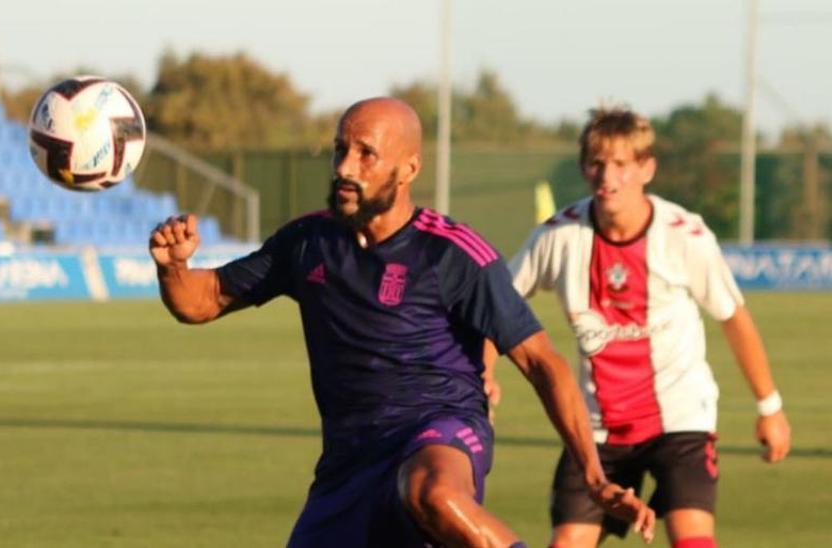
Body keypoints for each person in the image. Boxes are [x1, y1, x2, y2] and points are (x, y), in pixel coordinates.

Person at [149, 97, 655, 547]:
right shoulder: (308, 243)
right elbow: (203, 300)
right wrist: (173, 267)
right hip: (348, 463)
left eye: (366, 153)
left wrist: (592, 474)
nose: (346, 166)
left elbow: (541, 360)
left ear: (408, 168)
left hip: (440, 430)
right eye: (339, 149)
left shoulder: (454, 253)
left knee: (430, 492)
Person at [491, 106, 792, 548]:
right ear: (583, 167)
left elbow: (733, 316)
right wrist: (484, 374)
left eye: (621, 165)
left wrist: (770, 407)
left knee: (693, 538)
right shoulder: (558, 236)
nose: (607, 176)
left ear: (646, 168)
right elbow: (497, 305)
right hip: (594, 428)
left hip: (680, 418)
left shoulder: (684, 236)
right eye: (596, 163)